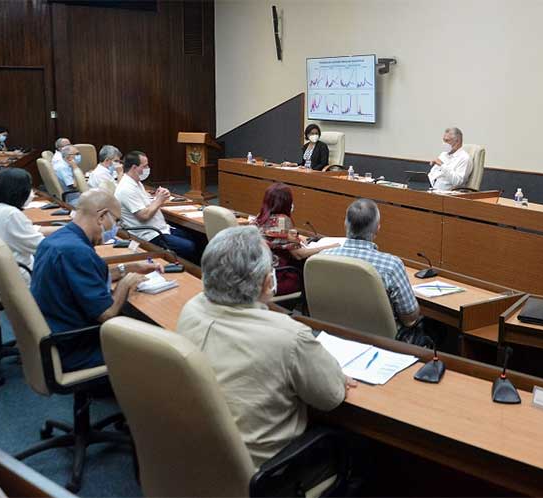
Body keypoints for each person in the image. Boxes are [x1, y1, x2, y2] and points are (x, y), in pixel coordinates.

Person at [177, 226, 354, 465]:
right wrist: (336, 376)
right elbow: (330, 398)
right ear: (267, 282)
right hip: (265, 475)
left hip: (197, 457)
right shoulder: (290, 337)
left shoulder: (191, 308)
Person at [30, 190, 159, 372]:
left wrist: (126, 269)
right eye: (116, 220)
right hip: (77, 349)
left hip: (56, 334)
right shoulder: (77, 252)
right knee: (158, 350)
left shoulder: (59, 240)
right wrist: (126, 283)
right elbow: (106, 314)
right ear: (101, 216)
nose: (116, 227)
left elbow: (84, 277)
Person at [323, 198, 421, 327]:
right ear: (377, 229)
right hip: (381, 343)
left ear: (345, 224)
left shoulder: (324, 257)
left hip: (334, 335)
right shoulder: (391, 266)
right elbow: (409, 317)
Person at [0, 168, 58, 296]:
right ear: (20, 191)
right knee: (60, 266)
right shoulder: (10, 214)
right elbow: (42, 246)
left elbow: (28, 234)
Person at [254, 183, 339, 295]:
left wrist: (297, 238)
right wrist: (332, 246)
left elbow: (278, 237)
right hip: (279, 277)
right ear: (286, 202)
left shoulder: (260, 217)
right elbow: (299, 254)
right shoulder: (283, 221)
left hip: (259, 274)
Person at [115, 150, 198, 262]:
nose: (147, 169)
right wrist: (159, 200)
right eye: (145, 166)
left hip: (160, 228)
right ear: (134, 167)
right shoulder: (126, 188)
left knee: (195, 237)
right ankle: (190, 271)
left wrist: (159, 196)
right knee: (189, 247)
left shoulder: (136, 182)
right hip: (149, 235)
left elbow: (145, 204)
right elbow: (144, 216)